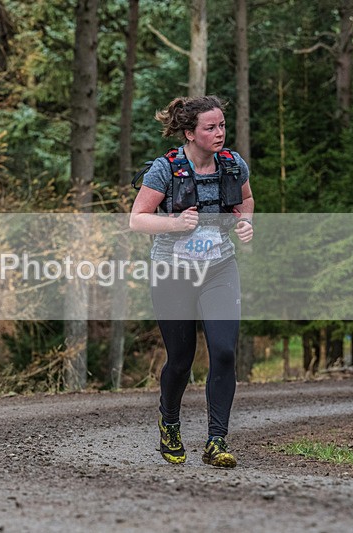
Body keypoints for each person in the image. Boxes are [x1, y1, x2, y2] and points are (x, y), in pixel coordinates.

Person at [129, 95, 254, 468]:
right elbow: (137, 219)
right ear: (190, 132)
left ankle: (217, 441)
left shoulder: (233, 164)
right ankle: (169, 423)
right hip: (173, 271)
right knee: (181, 360)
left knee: (224, 351)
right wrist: (175, 223)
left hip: (219, 267)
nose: (220, 133)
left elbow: (246, 201)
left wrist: (246, 223)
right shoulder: (165, 169)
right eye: (210, 128)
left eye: (222, 126)